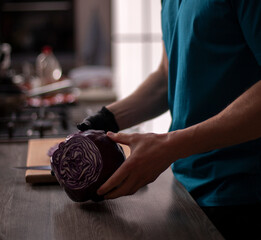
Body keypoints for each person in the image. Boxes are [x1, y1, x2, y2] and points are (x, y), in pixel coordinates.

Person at [77, 1, 261, 239]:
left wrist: (169, 146)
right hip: (185, 188)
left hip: (242, 195)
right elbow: (168, 76)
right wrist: (101, 122)